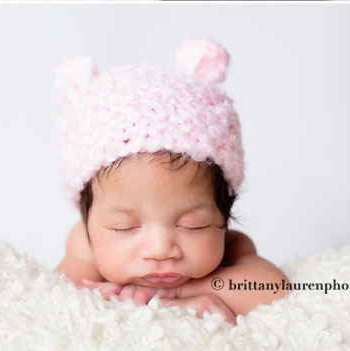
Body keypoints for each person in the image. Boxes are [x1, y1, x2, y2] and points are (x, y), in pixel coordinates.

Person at [55, 36, 289, 325]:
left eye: (193, 225)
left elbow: (274, 290)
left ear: (224, 211)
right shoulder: (84, 245)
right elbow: (61, 297)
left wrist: (180, 293)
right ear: (85, 215)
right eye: (124, 227)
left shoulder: (232, 248)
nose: (160, 249)